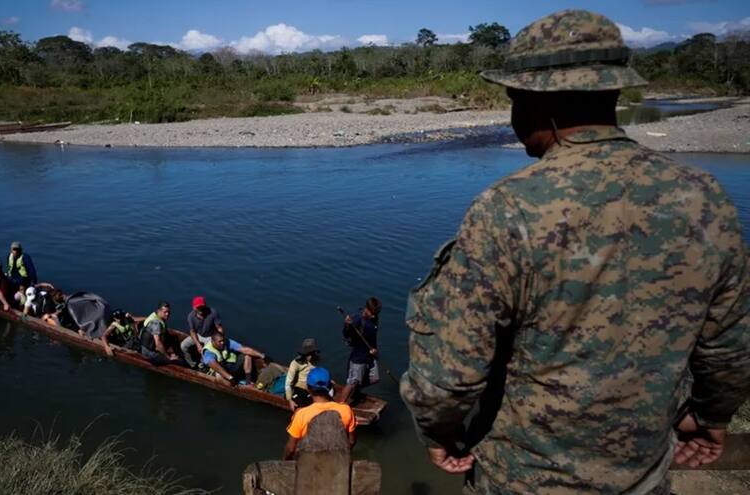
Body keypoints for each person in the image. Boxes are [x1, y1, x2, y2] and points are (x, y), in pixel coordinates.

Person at [400, 10, 750, 494]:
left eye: (513, 100)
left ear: (537, 105)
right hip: (642, 473)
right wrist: (712, 416)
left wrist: (439, 432)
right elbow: (730, 343)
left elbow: (451, 370)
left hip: (523, 476)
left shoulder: (508, 209)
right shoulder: (703, 196)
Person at [283, 367, 357, 460]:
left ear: (308, 388)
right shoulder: (346, 410)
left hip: (309, 462)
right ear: (330, 386)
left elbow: (291, 449)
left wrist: (286, 461)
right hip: (336, 461)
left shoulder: (301, 414)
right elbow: (351, 441)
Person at [338, 297, 382, 404]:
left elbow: (372, 337)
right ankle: (340, 404)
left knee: (375, 378)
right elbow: (346, 334)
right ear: (366, 309)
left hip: (370, 355)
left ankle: (356, 390)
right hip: (358, 357)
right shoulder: (357, 319)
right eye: (372, 313)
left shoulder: (374, 318)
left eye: (375, 313)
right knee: (352, 381)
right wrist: (347, 325)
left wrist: (375, 350)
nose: (373, 315)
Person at [180, 296, 224, 368]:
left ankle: (202, 365)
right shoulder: (191, 316)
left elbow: (219, 328)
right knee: (183, 345)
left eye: (202, 307)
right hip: (198, 335)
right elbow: (192, 331)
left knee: (205, 352)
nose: (201, 309)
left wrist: (220, 340)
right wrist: (198, 344)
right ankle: (192, 364)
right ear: (194, 308)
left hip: (211, 336)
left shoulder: (213, 313)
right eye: (198, 307)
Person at [285, 338, 321, 410]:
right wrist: (290, 400)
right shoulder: (295, 363)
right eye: (308, 354)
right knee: (302, 408)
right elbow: (288, 383)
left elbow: (317, 371)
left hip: (311, 388)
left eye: (312, 354)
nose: (310, 357)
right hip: (299, 389)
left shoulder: (316, 359)